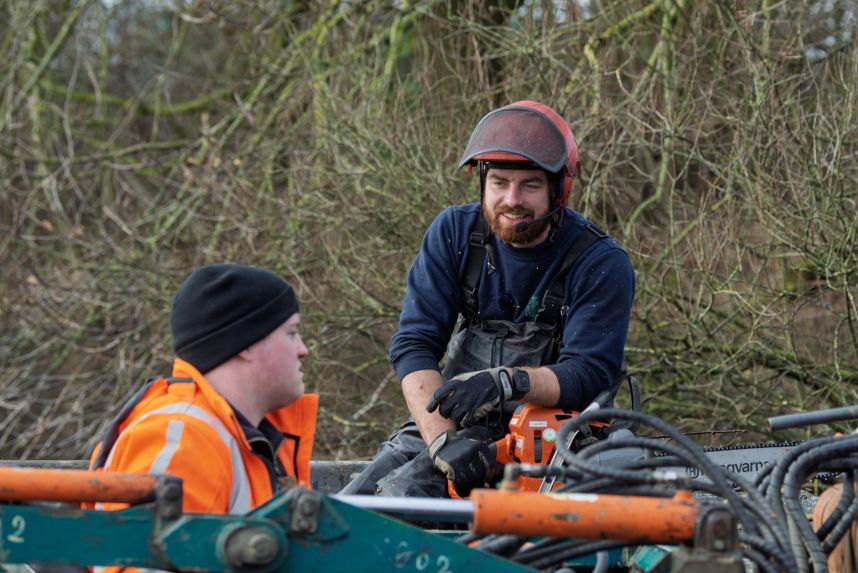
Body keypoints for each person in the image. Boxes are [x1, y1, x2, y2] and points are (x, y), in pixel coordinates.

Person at [342, 101, 635, 497]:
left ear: (557, 188)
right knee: (353, 502)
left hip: (549, 437)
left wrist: (504, 382)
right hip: (454, 418)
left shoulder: (599, 261)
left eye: (529, 185)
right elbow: (414, 346)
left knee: (403, 496)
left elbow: (588, 373)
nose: (511, 199)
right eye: (499, 182)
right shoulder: (455, 234)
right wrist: (444, 442)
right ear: (481, 181)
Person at [87, 263, 318, 515]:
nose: (303, 350)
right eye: (291, 333)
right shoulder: (180, 442)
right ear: (245, 343)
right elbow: (146, 550)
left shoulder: (242, 438)